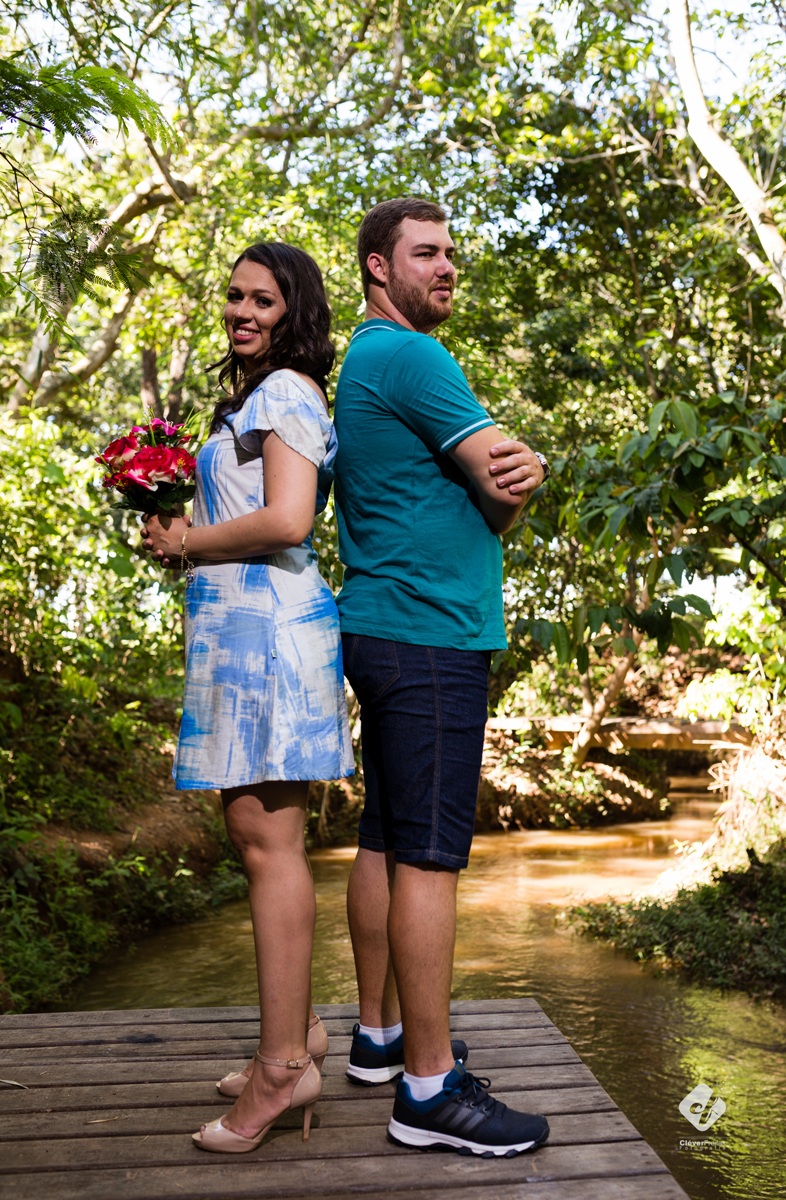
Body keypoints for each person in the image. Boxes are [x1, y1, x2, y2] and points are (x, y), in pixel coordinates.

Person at [333, 197, 551, 1156]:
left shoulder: (363, 357)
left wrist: (492, 492)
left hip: (385, 628)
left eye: (451, 252)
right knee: (429, 854)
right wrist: (519, 480)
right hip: (429, 638)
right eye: (426, 254)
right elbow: (499, 480)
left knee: (385, 837)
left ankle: (382, 1038)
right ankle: (427, 1090)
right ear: (380, 268)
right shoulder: (414, 356)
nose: (447, 267)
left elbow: (470, 491)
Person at [141, 242, 354, 1154]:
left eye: (263, 299)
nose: (242, 310)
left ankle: (280, 1075)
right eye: (234, 296)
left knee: (268, 846)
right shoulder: (261, 395)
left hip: (270, 631)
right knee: (267, 841)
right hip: (246, 629)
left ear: (293, 310)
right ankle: (299, 1038)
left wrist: (189, 540)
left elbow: (289, 520)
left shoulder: (286, 394)